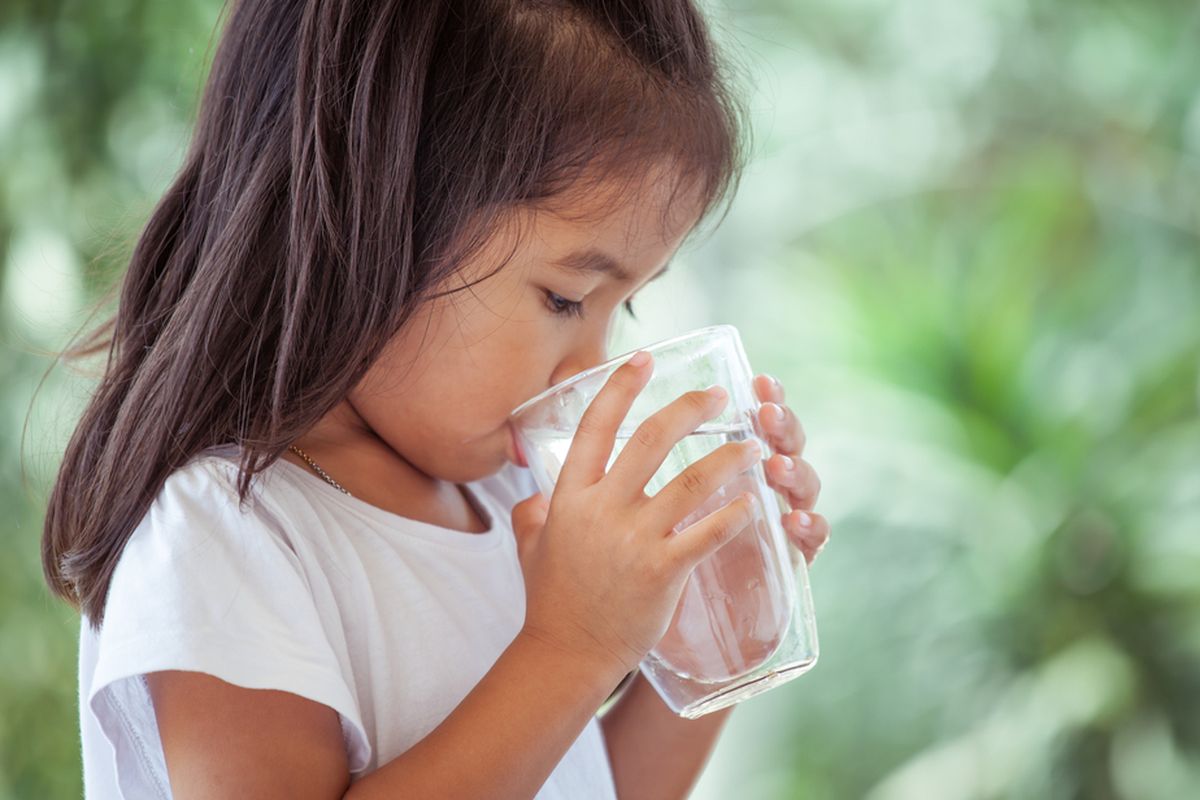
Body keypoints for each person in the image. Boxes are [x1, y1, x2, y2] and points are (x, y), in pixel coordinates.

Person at [41, 1, 831, 797]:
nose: (586, 370)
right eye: (566, 298)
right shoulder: (229, 530)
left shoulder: (507, 495)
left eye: (622, 306)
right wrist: (573, 647)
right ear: (368, 215)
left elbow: (588, 785)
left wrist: (723, 633)